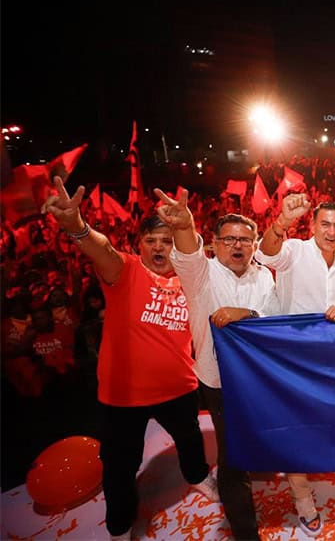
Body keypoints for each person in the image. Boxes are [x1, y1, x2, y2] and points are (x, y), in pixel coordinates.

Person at [43, 178, 217, 541]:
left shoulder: (192, 279)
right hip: (123, 397)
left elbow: (192, 251)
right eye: (150, 241)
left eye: (166, 241)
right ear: (139, 245)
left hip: (179, 388)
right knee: (120, 467)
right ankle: (120, 527)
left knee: (189, 440)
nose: (158, 247)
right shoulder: (124, 271)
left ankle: (198, 477)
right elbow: (101, 247)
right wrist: (77, 227)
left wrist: (183, 228)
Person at [154, 188, 279, 541]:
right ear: (214, 243)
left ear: (255, 244)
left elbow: (271, 317)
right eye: (229, 240)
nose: (237, 246)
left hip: (258, 378)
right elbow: (187, 255)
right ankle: (244, 530)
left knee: (256, 435)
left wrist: (248, 314)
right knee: (232, 455)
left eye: (245, 240)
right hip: (219, 381)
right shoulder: (201, 275)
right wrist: (184, 225)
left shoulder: (264, 277)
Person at [254, 193, 335, 536]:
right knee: (291, 430)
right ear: (312, 225)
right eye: (325, 224)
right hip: (288, 361)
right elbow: (265, 253)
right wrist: (282, 221)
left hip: (326, 365)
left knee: (321, 425)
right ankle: (303, 500)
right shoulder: (294, 250)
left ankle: (316, 469)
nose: (331, 231)